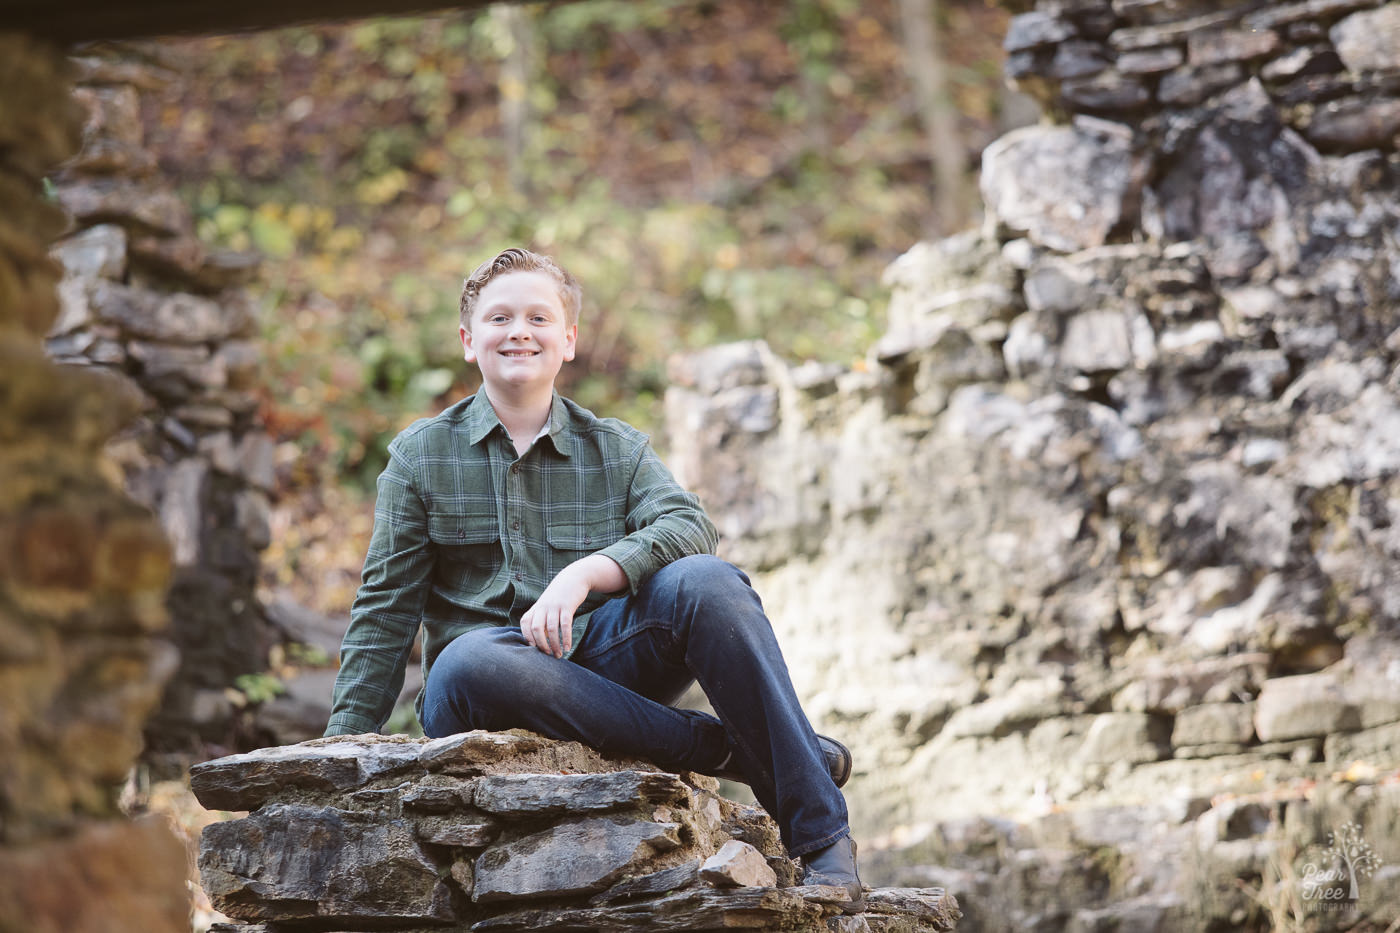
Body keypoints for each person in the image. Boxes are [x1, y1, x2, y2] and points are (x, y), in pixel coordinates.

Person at [325, 247, 862, 910]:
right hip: (484, 690)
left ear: (568, 339)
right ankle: (730, 748)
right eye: (499, 317)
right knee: (467, 657)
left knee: (708, 580)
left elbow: (690, 525)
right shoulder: (420, 456)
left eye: (538, 316)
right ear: (469, 341)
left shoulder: (616, 448)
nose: (519, 329)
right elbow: (383, 613)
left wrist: (586, 573)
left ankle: (823, 837)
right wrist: (337, 753)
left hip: (604, 669)